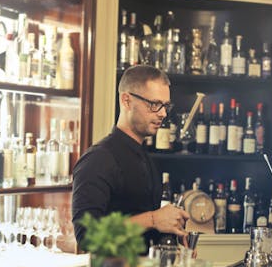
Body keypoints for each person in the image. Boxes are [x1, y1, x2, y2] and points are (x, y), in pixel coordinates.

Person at [72, 65, 190, 252]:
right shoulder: (97, 159)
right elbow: (87, 237)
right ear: (126, 101)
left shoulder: (146, 158)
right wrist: (153, 219)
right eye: (154, 104)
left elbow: (145, 234)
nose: (163, 113)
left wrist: (173, 245)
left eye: (166, 106)